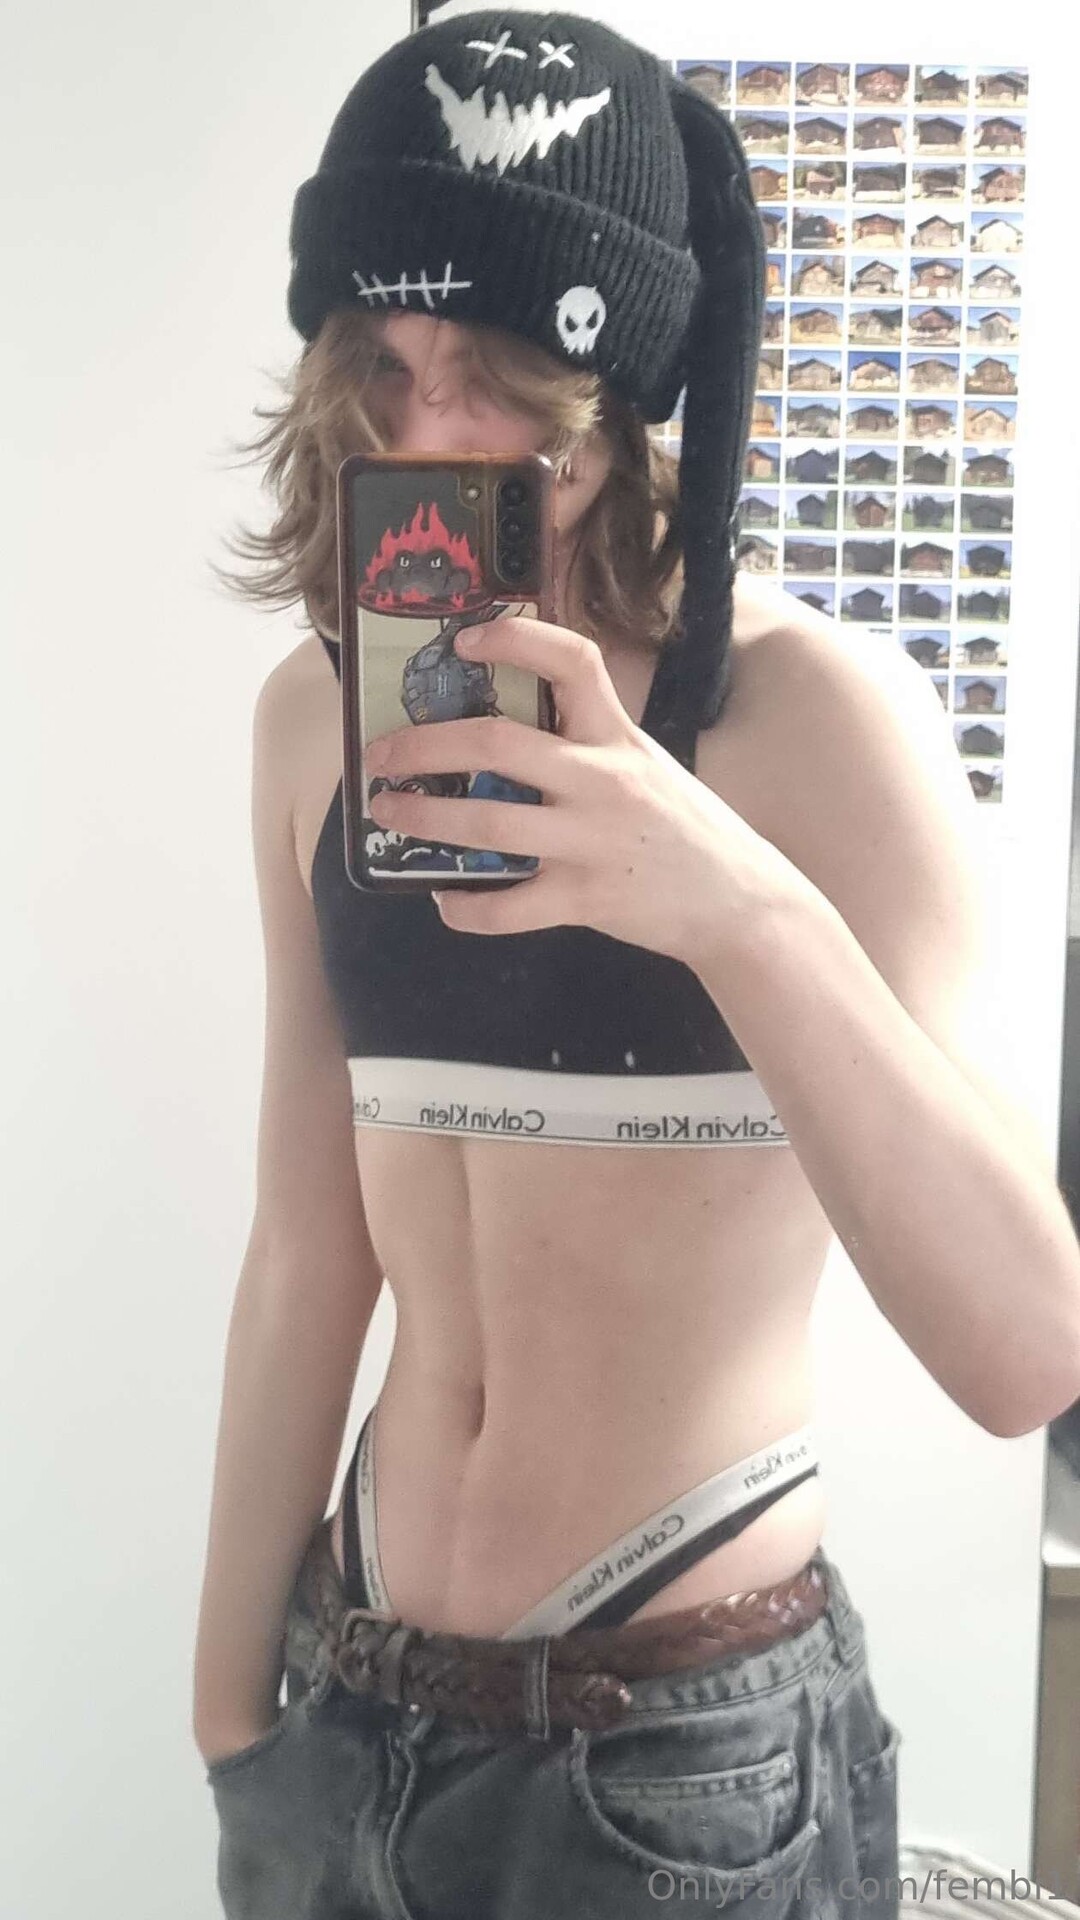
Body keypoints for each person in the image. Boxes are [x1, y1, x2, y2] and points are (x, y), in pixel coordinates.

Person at [192, 13, 1080, 1918]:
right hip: (349, 1691)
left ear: (614, 397)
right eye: (384, 370)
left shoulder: (816, 722)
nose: (430, 438)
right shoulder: (309, 727)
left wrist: (733, 902)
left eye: (498, 382)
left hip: (679, 1750)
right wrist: (226, 1707)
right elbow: (308, 1244)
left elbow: (1028, 1349)